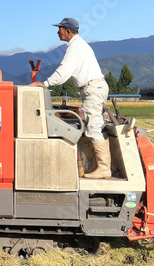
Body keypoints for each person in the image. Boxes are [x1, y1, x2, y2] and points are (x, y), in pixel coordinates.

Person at [30, 17, 112, 179]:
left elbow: (64, 70)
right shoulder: (78, 45)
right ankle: (99, 166)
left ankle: (104, 168)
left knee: (93, 127)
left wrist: (45, 83)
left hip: (92, 89)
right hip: (94, 88)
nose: (57, 32)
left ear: (68, 31)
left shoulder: (75, 47)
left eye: (59, 29)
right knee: (93, 125)